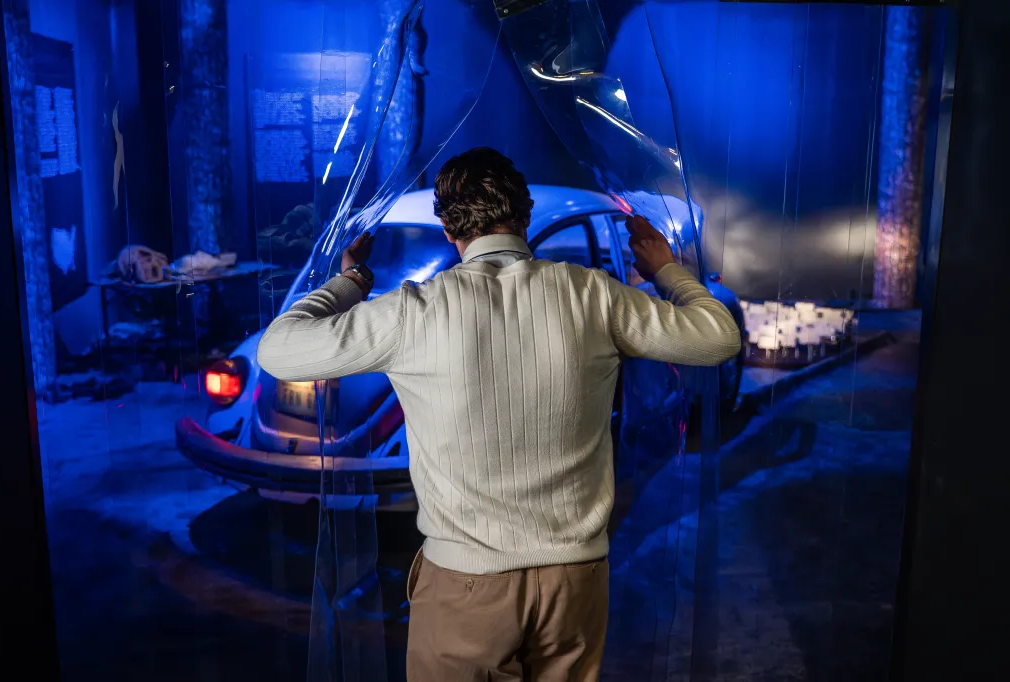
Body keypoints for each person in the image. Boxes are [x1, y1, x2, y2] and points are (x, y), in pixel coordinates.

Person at [257, 147, 742, 681]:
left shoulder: (411, 312)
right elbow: (718, 338)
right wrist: (669, 270)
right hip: (574, 581)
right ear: (525, 215)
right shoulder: (594, 295)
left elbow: (278, 349)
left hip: (467, 585)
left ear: (448, 230)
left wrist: (350, 283)